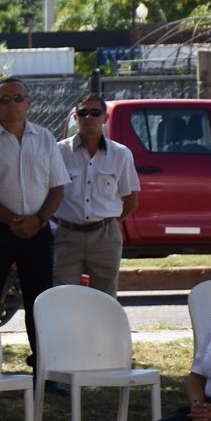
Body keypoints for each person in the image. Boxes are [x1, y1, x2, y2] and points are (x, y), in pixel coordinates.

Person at [0, 77, 68, 366]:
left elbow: (58, 186)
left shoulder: (45, 138)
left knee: (41, 300)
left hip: (37, 230)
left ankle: (45, 366)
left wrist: (38, 219)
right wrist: (12, 219)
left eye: (18, 98)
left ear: (28, 103)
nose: (12, 104)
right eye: (5, 99)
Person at [54, 93, 139, 295]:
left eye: (95, 112)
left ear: (105, 118)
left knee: (105, 298)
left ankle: (101, 329)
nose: (89, 118)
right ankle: (68, 329)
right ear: (76, 118)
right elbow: (48, 193)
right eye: (83, 113)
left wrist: (109, 222)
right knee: (63, 296)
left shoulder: (121, 154)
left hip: (105, 235)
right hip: (67, 234)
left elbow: (132, 200)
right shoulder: (58, 152)